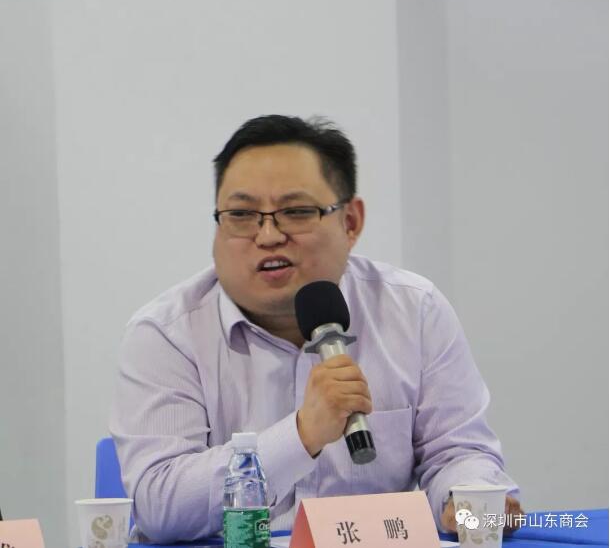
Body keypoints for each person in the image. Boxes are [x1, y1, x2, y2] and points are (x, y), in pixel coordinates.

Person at [110, 114, 523, 543]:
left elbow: (457, 451)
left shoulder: (413, 311)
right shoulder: (165, 334)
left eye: (296, 212)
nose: (268, 236)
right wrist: (302, 434)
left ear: (351, 222)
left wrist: (470, 499)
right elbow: (160, 504)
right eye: (242, 214)